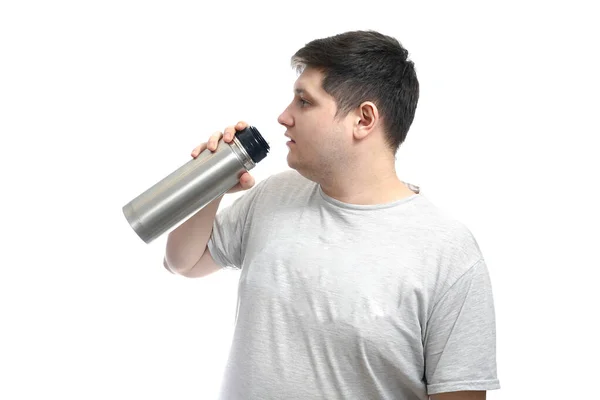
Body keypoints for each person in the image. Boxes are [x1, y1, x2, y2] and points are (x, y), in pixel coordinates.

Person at [163, 30, 500, 400]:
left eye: (304, 102)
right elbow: (183, 261)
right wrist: (208, 183)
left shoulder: (448, 254)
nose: (283, 116)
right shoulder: (276, 195)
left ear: (363, 119)